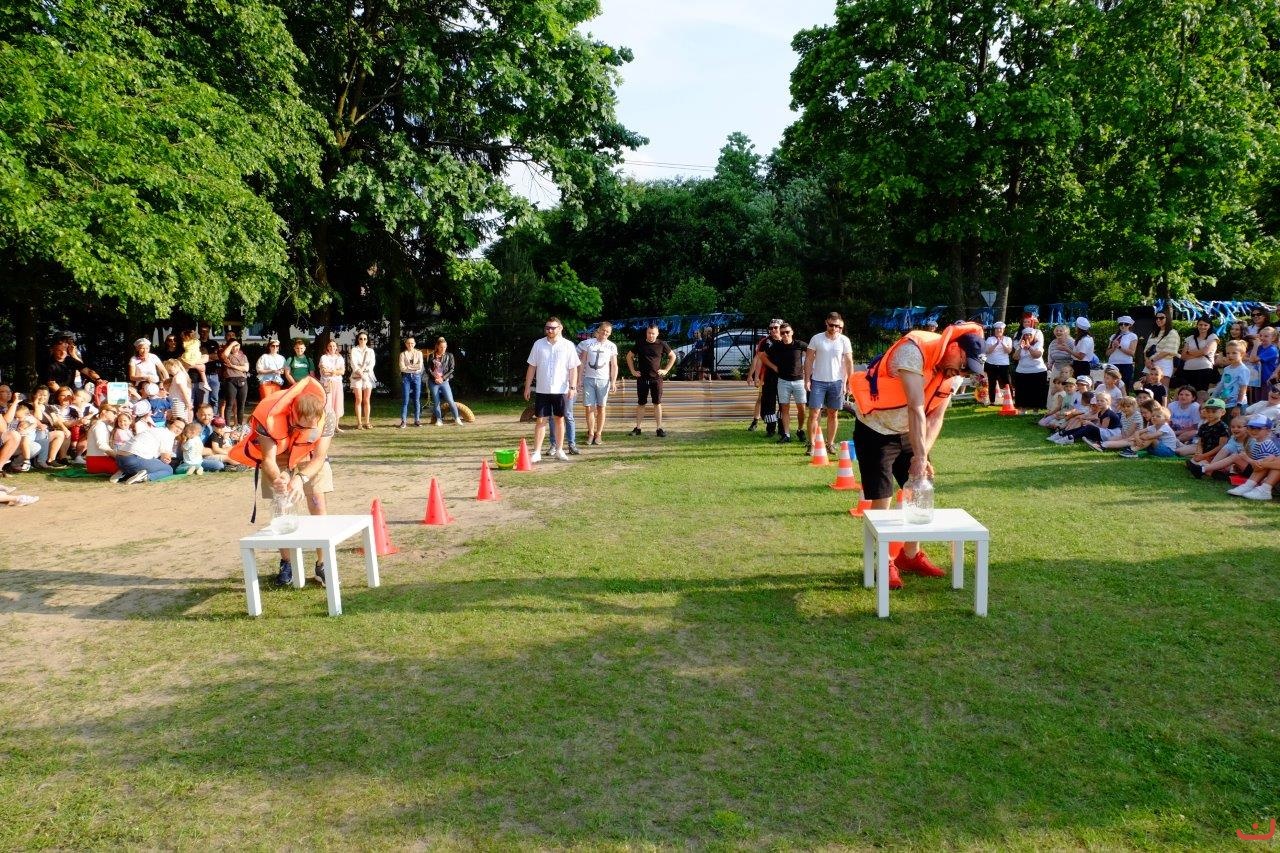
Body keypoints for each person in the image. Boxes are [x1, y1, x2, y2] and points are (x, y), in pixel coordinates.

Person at [849, 321, 988, 590]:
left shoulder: (953, 374)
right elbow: (916, 406)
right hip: (876, 428)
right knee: (882, 497)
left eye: (968, 371)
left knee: (920, 489)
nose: (961, 373)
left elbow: (936, 416)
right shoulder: (913, 352)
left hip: (909, 431)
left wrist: (922, 456)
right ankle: (885, 561)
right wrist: (920, 457)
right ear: (955, 348)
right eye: (963, 366)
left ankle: (910, 555)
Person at [227, 376, 337, 586]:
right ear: (292, 413)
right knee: (282, 508)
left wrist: (300, 478)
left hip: (309, 454)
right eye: (303, 425)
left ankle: (322, 564)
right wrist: (279, 480)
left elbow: (320, 457)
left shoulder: (327, 416)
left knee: (318, 505)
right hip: (279, 453)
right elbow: (268, 459)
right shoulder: (268, 416)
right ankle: (288, 563)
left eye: (312, 426)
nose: (308, 429)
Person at [524, 317, 579, 462]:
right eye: (547, 328)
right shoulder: (538, 344)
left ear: (560, 328)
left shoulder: (568, 345)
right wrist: (527, 386)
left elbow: (573, 368)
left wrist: (572, 387)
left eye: (552, 328)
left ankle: (560, 450)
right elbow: (532, 366)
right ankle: (537, 452)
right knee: (540, 420)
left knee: (559, 419)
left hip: (561, 390)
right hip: (542, 389)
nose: (549, 330)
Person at [804, 312, 855, 455]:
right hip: (818, 381)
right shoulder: (816, 338)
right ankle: (811, 444)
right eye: (831, 325)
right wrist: (807, 379)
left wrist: (850, 382)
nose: (834, 328)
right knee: (814, 413)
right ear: (826, 322)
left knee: (833, 413)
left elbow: (849, 362)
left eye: (837, 326)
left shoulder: (844, 340)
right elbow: (808, 360)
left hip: (837, 382)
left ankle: (830, 444)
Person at [760, 322, 808, 444]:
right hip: (783, 381)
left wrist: (807, 368)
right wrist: (774, 367)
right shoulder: (777, 345)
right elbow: (763, 356)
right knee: (784, 408)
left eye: (787, 332)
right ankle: (786, 434)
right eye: (782, 333)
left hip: (799, 381)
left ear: (792, 332)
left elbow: (813, 353)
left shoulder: (799, 344)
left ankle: (800, 429)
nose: (785, 335)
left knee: (802, 408)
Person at [626, 323, 676, 438]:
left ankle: (659, 429)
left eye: (653, 333)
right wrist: (633, 371)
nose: (651, 335)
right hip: (642, 379)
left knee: (657, 403)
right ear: (646, 333)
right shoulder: (640, 343)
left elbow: (673, 356)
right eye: (649, 333)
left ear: (657, 334)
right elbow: (629, 356)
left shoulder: (662, 344)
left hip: (656, 379)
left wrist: (666, 370)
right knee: (641, 403)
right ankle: (638, 428)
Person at [577, 322, 618, 445]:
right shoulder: (588, 343)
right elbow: (582, 362)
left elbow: (614, 365)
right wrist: (579, 379)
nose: (605, 333)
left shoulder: (612, 346)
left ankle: (598, 434)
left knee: (601, 408)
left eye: (607, 331)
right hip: (589, 379)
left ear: (610, 333)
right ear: (599, 330)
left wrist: (613, 381)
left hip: (603, 380)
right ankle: (590, 433)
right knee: (589, 407)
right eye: (603, 330)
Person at [1225, 415, 1279, 500]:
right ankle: (1249, 486)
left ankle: (1262, 489)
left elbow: (1257, 464)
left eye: (1258, 428)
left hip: (1266, 474)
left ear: (1268, 431)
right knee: (1269, 458)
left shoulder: (1266, 444)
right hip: (1266, 471)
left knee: (1269, 458)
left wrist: (1251, 461)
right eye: (1250, 428)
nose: (1253, 431)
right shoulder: (1257, 442)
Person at [116, 417, 183, 484]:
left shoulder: (155, 430)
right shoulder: (169, 435)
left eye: (181, 429)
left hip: (119, 458)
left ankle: (123, 473)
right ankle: (144, 477)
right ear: (169, 424)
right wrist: (168, 459)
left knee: (150, 460)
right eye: (177, 426)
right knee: (168, 469)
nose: (178, 430)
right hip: (134, 458)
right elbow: (165, 458)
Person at [749, 321, 783, 436]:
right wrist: (756, 377)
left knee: (783, 402)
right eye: (771, 328)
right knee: (767, 402)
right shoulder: (765, 342)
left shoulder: (787, 340)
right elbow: (759, 358)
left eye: (776, 327)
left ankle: (782, 427)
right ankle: (770, 427)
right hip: (768, 376)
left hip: (783, 376)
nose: (773, 330)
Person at [1012, 314, 1049, 409]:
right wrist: (1021, 346)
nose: (1026, 323)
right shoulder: (1017, 334)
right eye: (1024, 322)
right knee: (1023, 391)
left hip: (1037, 368)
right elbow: (1015, 356)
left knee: (1036, 391)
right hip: (1022, 369)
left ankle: (1036, 408)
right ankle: (1023, 408)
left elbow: (1037, 354)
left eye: (1028, 322)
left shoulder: (1038, 333)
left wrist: (1029, 347)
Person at [425, 336, 462, 426]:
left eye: (445, 347)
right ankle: (439, 420)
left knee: (450, 400)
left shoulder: (450, 356)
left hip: (444, 381)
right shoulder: (431, 356)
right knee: (436, 401)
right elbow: (428, 369)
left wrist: (443, 378)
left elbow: (451, 369)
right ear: (437, 346)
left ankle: (457, 418)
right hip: (433, 382)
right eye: (441, 347)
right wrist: (435, 378)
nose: (443, 349)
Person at [1179, 316, 1219, 394]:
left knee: (1201, 394)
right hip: (1188, 370)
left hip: (1204, 370)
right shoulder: (1190, 338)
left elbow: (1205, 352)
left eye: (1205, 325)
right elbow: (1183, 356)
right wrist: (1199, 353)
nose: (1202, 327)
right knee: (1189, 394)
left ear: (1209, 326)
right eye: (1200, 324)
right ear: (1197, 325)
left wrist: (1189, 352)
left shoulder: (1213, 337)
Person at [1210, 340, 1251, 414]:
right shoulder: (1226, 369)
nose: (1230, 355)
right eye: (1228, 353)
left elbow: (1243, 389)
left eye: (1234, 353)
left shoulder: (1243, 370)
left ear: (1242, 354)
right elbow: (1221, 384)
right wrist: (1212, 398)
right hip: (1224, 404)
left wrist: (1238, 406)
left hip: (1236, 406)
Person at [1144, 311, 1180, 389]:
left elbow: (1168, 351)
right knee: (1149, 390)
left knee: (1162, 390)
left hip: (1164, 363)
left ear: (1168, 319)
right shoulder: (1153, 333)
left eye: (1161, 318)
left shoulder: (1172, 333)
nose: (1158, 320)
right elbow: (1146, 350)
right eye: (1156, 318)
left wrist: (1151, 360)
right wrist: (1147, 361)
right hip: (1150, 364)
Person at [220, 337, 250, 427]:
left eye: (237, 345)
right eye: (233, 346)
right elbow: (224, 355)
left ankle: (240, 426)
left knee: (241, 405)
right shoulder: (228, 355)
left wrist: (232, 366)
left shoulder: (243, 356)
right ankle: (227, 426)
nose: (235, 348)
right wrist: (232, 344)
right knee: (229, 404)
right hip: (231, 381)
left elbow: (246, 368)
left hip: (242, 380)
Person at [349, 331, 376, 429]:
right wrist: (359, 372)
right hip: (357, 376)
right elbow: (353, 363)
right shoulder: (354, 350)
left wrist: (364, 371)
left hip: (368, 376)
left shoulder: (370, 351)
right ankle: (359, 422)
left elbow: (372, 364)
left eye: (365, 339)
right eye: (361, 338)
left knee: (367, 400)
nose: (363, 340)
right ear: (358, 339)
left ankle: (367, 422)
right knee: (358, 399)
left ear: (367, 340)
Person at [318, 340, 346, 430]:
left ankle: (336, 426)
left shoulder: (340, 358)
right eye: (330, 346)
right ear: (327, 347)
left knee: (337, 403)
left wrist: (332, 371)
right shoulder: (324, 357)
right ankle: (326, 426)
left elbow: (342, 371)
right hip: (327, 383)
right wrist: (335, 371)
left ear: (336, 347)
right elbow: (324, 372)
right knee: (327, 403)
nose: (332, 348)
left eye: (334, 346)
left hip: (337, 383)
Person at [397, 336, 423, 428]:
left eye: (412, 343)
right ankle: (403, 421)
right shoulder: (402, 354)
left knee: (416, 399)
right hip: (406, 378)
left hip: (417, 377)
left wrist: (408, 367)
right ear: (406, 344)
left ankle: (417, 420)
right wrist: (412, 367)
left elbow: (420, 366)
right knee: (405, 400)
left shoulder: (419, 353)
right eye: (408, 343)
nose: (410, 345)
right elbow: (402, 368)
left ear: (414, 344)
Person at [983, 321, 1012, 402]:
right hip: (991, 364)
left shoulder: (1008, 339)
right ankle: (992, 401)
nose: (998, 330)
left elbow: (1008, 351)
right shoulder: (990, 339)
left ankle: (1011, 399)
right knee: (992, 382)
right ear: (994, 330)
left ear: (1003, 330)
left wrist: (1002, 343)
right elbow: (987, 351)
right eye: (997, 329)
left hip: (1003, 364)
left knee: (1007, 381)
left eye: (1000, 329)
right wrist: (996, 344)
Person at [196, 324, 222, 409]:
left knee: (215, 398)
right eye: (202, 331)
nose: (204, 333)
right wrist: (210, 357)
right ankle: (204, 415)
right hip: (202, 375)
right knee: (204, 399)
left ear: (209, 332)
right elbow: (196, 358)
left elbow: (218, 356)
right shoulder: (196, 344)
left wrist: (205, 357)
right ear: (199, 332)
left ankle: (214, 415)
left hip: (214, 375)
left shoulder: (214, 343)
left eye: (206, 331)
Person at [179, 328, 212, 394]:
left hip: (187, 357)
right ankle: (205, 383)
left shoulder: (184, 343)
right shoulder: (196, 341)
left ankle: (183, 381)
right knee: (202, 370)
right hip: (195, 357)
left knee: (185, 371)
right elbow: (197, 341)